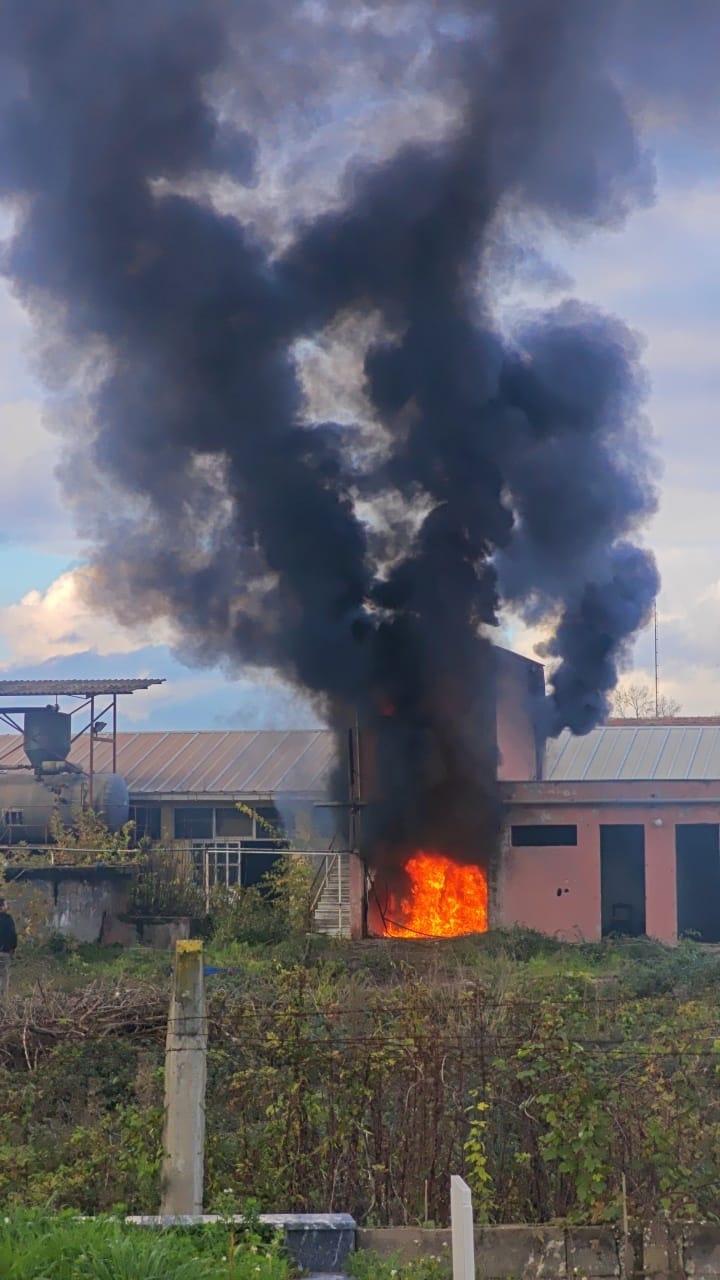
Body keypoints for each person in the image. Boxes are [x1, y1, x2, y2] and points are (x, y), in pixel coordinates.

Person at [0, 897, 17, 999]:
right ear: (1, 907)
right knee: (4, 975)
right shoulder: (8, 919)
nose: (7, 907)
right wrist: (13, 947)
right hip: (5, 952)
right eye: (6, 905)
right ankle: (3, 1001)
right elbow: (12, 935)